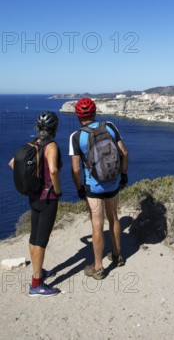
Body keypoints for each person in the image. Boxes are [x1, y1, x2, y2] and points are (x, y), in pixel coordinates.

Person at [69, 97, 129, 280]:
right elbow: (124, 153)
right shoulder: (110, 126)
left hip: (93, 187)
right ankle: (117, 256)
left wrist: (79, 188)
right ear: (95, 112)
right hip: (112, 182)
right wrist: (123, 176)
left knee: (97, 223)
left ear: (78, 116)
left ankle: (98, 267)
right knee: (114, 218)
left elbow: (76, 169)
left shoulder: (76, 136)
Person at [8, 111, 62, 297]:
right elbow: (54, 170)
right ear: (55, 128)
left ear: (38, 128)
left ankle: (38, 272)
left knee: (33, 237)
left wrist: (31, 180)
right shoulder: (51, 146)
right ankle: (36, 284)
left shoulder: (32, 145)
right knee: (41, 241)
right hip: (48, 199)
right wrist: (57, 190)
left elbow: (12, 163)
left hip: (34, 196)